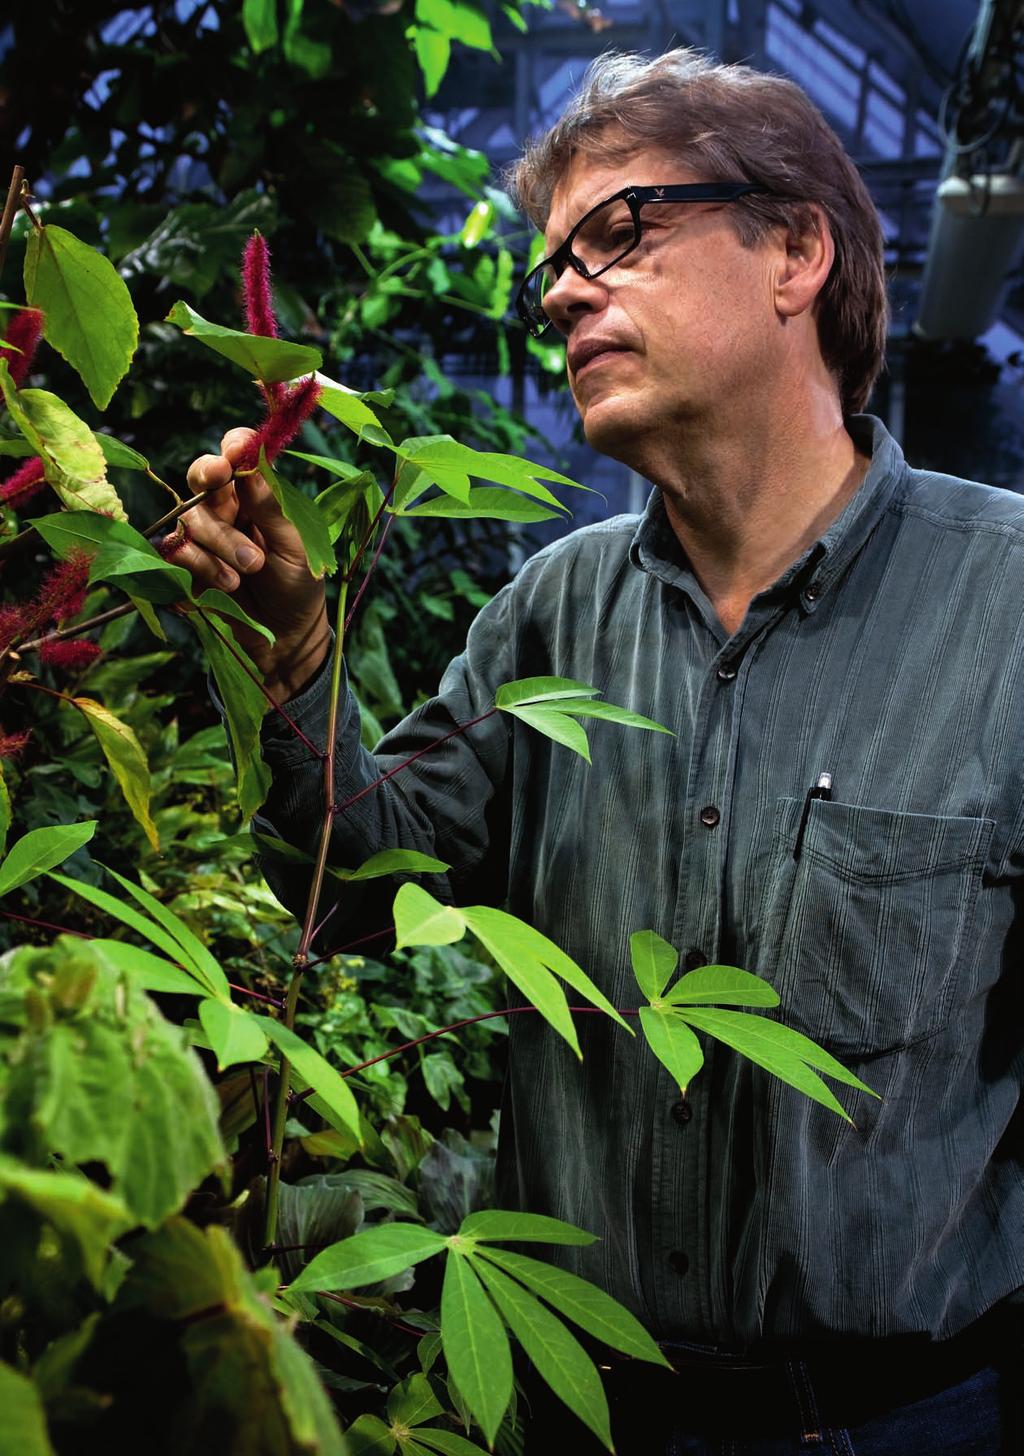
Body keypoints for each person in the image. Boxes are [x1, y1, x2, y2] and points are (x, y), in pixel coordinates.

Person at [181, 48, 1023, 1455]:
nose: (565, 290)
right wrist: (294, 653)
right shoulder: (551, 613)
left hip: (912, 1419)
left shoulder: (1003, 606)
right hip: (581, 1415)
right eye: (552, 265)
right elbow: (358, 880)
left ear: (796, 250)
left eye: (620, 234)